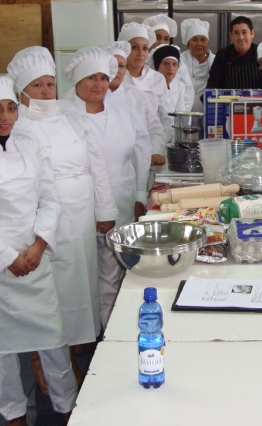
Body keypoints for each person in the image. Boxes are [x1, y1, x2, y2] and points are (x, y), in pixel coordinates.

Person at [0, 73, 78, 425]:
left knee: (53, 341)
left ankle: (66, 406)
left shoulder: (31, 150)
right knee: (1, 351)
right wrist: (8, 258)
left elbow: (50, 200)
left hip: (34, 260)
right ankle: (13, 414)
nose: (6, 117)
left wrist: (38, 245)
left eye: (10, 107)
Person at [6, 46, 119, 389]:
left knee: (80, 284)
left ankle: (72, 348)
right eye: (37, 86)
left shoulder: (72, 118)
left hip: (81, 212)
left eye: (50, 85)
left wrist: (105, 210)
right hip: (45, 219)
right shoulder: (18, 127)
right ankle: (47, 360)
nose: (45, 92)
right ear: (22, 92)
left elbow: (96, 165)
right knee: (53, 292)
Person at [58, 46, 152, 328]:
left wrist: (138, 194)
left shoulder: (123, 111)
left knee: (115, 269)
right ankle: (83, 332)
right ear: (76, 81)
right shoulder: (60, 114)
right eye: (90, 78)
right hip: (79, 206)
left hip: (121, 199)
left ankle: (109, 332)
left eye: (102, 77)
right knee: (81, 273)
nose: (98, 84)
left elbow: (141, 150)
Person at [104, 40, 167, 165]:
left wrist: (155, 152)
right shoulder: (94, 96)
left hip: (139, 165)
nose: (117, 70)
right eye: (112, 65)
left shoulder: (137, 96)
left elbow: (155, 130)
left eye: (121, 66)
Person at [118, 22, 172, 142]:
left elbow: (166, 117)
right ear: (124, 50)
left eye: (145, 48)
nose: (140, 53)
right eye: (134, 47)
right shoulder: (116, 78)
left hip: (154, 142)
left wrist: (158, 147)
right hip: (123, 143)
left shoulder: (157, 78)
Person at [143, 14, 195, 110]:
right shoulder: (140, 60)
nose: (162, 42)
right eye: (157, 37)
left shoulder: (175, 57)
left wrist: (179, 118)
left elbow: (187, 92)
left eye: (166, 39)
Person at [206, 16, 262, 93]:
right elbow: (213, 85)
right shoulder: (223, 54)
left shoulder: (261, 53)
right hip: (228, 102)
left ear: (252, 33)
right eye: (236, 33)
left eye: (244, 32)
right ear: (231, 35)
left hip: (256, 102)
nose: (241, 37)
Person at [151, 44, 190, 137]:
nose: (171, 68)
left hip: (174, 134)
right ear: (157, 66)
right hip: (155, 135)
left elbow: (181, 115)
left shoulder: (180, 86)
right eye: (166, 63)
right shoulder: (150, 87)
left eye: (174, 64)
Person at [180, 18, 215, 112]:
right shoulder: (180, 60)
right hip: (184, 112)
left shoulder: (216, 61)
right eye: (194, 40)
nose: (199, 44)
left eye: (203, 40)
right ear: (188, 43)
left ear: (208, 43)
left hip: (210, 112)